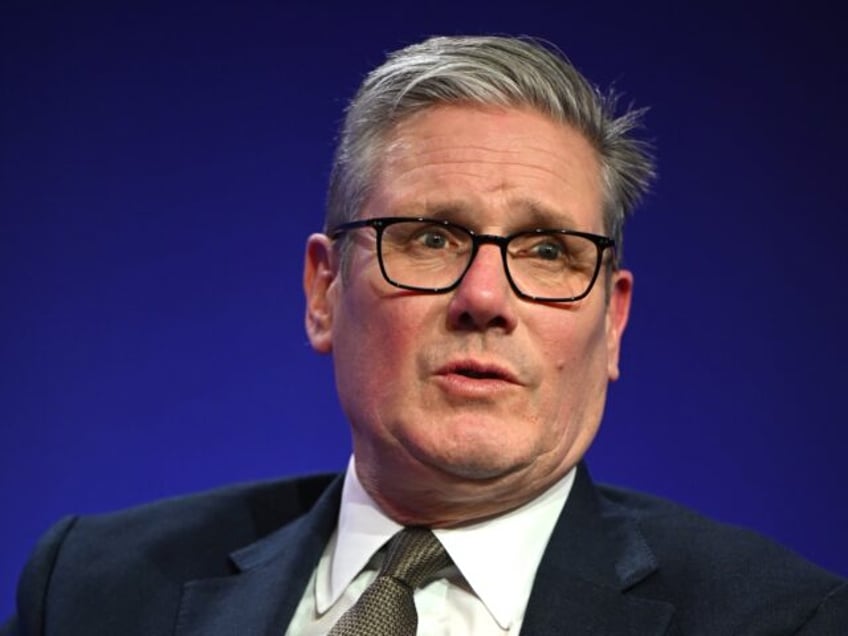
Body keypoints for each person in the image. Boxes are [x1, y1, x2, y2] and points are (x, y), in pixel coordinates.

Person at [3, 35, 846, 636]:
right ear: (325, 290)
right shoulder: (91, 589)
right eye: (433, 238)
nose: (485, 296)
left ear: (612, 318)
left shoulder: (781, 620)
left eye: (548, 250)